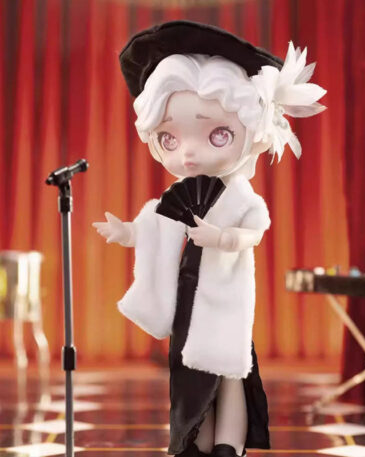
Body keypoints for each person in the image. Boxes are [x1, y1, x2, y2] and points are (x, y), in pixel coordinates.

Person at [93, 21, 326, 457]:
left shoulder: (241, 195)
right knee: (193, 374)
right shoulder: (179, 194)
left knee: (231, 374)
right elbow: (159, 224)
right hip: (191, 296)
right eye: (169, 138)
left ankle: (228, 444)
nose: (188, 152)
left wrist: (222, 237)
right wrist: (129, 232)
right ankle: (196, 441)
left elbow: (254, 230)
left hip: (228, 295)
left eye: (217, 134)